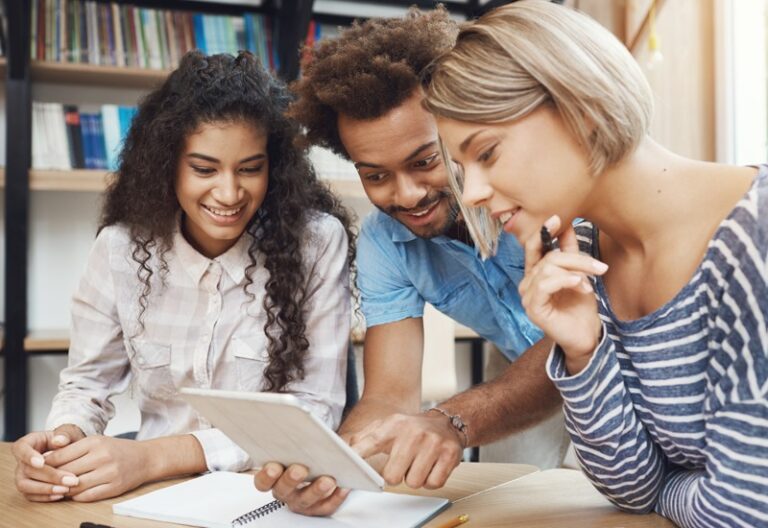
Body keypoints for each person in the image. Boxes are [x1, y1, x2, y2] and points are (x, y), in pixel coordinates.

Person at [424, 1, 768, 526]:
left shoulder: (753, 237)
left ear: (580, 108)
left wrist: (669, 491)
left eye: (487, 153)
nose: (470, 194)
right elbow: (632, 488)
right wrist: (584, 351)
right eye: (461, 167)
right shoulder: (584, 253)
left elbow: (740, 511)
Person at [254, 8, 566, 516]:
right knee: (516, 509)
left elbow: (577, 342)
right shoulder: (383, 244)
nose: (407, 195)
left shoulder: (537, 191)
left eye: (425, 161)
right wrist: (333, 465)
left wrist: (451, 419)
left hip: (613, 355)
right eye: (375, 175)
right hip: (515, 364)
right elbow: (390, 397)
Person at [12, 50, 355, 503]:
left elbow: (316, 409)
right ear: (165, 163)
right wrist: (61, 446)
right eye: (204, 169)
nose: (230, 193)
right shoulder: (119, 248)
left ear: (275, 167)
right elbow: (86, 384)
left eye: (251, 169)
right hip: (153, 494)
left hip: (267, 496)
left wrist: (153, 457)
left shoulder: (316, 243)